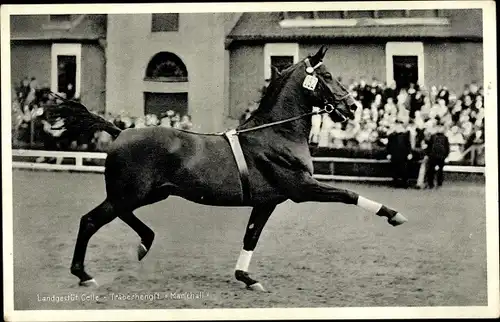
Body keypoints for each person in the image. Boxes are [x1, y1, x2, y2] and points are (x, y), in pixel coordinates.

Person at [386, 121, 413, 188]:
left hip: (403, 155)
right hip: (395, 154)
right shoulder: (392, 136)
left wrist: (409, 153)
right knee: (395, 170)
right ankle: (396, 184)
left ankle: (404, 184)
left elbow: (408, 145)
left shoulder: (405, 135)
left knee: (404, 170)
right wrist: (389, 153)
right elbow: (389, 145)